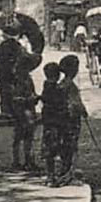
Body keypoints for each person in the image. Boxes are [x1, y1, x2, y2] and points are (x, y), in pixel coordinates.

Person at [0, 16, 44, 172]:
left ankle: (17, 160)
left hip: (9, 86)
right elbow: (31, 59)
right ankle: (28, 159)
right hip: (22, 99)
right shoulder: (18, 50)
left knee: (18, 131)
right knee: (28, 129)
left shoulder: (4, 46)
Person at [57, 54, 88, 184]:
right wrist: (83, 111)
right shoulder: (71, 86)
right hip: (72, 119)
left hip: (63, 119)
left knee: (65, 144)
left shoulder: (62, 84)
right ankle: (69, 173)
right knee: (71, 145)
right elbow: (75, 103)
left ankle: (65, 170)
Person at [38, 62, 65, 185]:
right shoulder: (56, 88)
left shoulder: (46, 86)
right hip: (55, 122)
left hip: (48, 122)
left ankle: (51, 175)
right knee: (55, 148)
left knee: (50, 150)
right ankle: (52, 176)